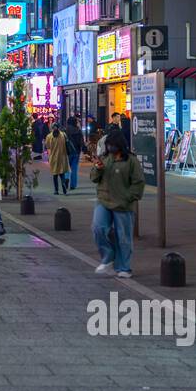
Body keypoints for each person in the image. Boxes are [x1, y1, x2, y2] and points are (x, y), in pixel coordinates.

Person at [90, 126, 145, 278]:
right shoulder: (105, 159)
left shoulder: (131, 161)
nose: (109, 147)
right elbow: (94, 178)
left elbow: (138, 182)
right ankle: (108, 257)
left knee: (124, 237)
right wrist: (98, 168)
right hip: (103, 200)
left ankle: (124, 267)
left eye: (112, 144)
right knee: (98, 228)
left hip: (123, 204)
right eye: (108, 144)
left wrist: (130, 196)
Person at [47, 124, 70, 195]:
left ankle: (56, 190)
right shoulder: (63, 135)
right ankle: (64, 187)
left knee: (55, 175)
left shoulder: (49, 136)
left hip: (53, 157)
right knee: (62, 174)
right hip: (62, 157)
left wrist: (49, 157)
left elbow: (48, 147)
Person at [65, 116, 85, 193]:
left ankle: (66, 178)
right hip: (76, 151)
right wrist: (83, 149)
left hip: (67, 151)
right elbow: (81, 142)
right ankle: (73, 185)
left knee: (66, 167)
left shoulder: (65, 130)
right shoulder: (78, 130)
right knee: (74, 168)